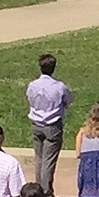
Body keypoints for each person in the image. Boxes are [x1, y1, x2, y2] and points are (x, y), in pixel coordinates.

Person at [24, 53, 72, 187]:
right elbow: (68, 101)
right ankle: (46, 191)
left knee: (39, 158)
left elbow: (30, 99)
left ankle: (39, 188)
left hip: (36, 124)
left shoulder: (33, 85)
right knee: (48, 160)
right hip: (52, 125)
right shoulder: (59, 86)